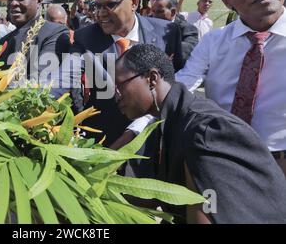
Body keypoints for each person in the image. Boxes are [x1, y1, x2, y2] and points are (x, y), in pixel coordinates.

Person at [114, 44, 286, 224]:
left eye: (120, 86)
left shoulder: (205, 131)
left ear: (152, 79)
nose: (117, 96)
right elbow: (159, 195)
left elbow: (206, 211)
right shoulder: (168, 122)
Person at [176, 0, 286, 176]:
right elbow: (181, 86)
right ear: (227, 0)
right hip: (226, 157)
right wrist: (135, 128)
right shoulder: (213, 42)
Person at [71, 0, 181, 147]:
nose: (100, 13)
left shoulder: (167, 33)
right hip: (105, 146)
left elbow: (175, 84)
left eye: (109, 5)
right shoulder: (83, 39)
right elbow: (65, 77)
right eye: (97, 6)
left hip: (156, 143)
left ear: (134, 0)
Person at [0, 0, 70, 98]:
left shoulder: (55, 33)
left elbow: (40, 82)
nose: (13, 3)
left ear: (39, 1)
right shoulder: (3, 42)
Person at [151, 0, 199, 71]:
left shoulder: (188, 30)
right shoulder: (148, 24)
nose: (154, 15)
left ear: (173, 12)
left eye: (159, 12)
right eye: (153, 11)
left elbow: (184, 51)